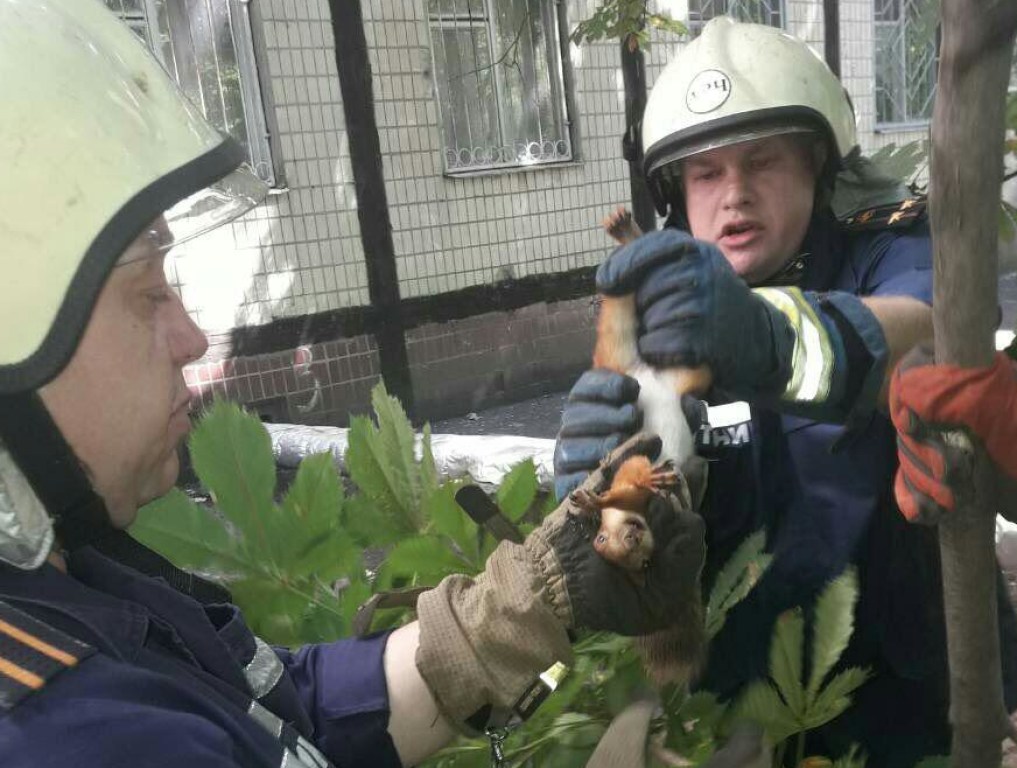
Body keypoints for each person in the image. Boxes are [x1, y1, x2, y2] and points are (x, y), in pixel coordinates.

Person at [0, 2, 710, 766]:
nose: (191, 337)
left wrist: (530, 597)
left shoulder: (76, 593)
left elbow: (290, 718)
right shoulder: (68, 734)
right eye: (147, 294)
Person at [555, 17, 1017, 766]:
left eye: (762, 162)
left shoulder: (892, 248)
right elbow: (642, 555)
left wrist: (772, 338)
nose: (733, 194)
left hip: (922, 703)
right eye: (705, 173)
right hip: (747, 719)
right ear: (674, 192)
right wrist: (605, 500)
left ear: (816, 166)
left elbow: (926, 330)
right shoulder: (646, 316)